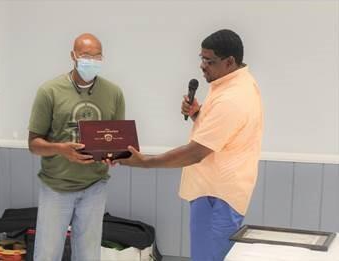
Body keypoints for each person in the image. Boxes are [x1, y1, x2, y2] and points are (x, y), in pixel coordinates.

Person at [113, 29, 263, 261]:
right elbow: (225, 135)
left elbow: (196, 153)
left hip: (218, 196)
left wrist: (144, 162)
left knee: (209, 258)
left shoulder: (233, 98)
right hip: (213, 190)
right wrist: (199, 115)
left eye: (209, 61)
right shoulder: (234, 84)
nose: (202, 66)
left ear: (230, 61)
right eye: (201, 59)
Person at [28, 33, 125, 261]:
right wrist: (62, 149)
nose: (91, 60)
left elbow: (118, 140)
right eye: (85, 55)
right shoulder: (49, 91)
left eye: (97, 56)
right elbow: (34, 144)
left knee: (89, 255)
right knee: (47, 253)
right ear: (73, 56)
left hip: (95, 186)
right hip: (56, 187)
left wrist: (116, 155)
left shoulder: (114, 93)